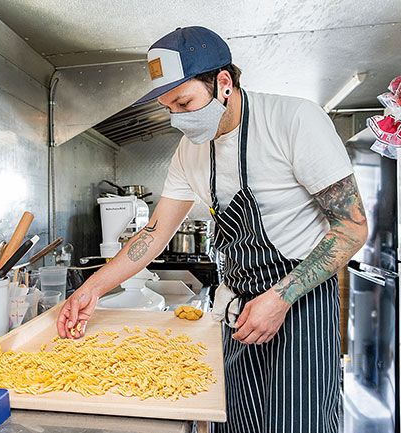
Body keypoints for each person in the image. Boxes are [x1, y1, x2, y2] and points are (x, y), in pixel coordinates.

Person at [57, 26, 367, 433]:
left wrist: (279, 298)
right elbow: (153, 234)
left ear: (224, 82)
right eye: (170, 108)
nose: (178, 119)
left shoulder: (294, 120)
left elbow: (352, 228)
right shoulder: (189, 151)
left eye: (185, 102)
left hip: (299, 304)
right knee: (234, 423)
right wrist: (92, 288)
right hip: (237, 308)